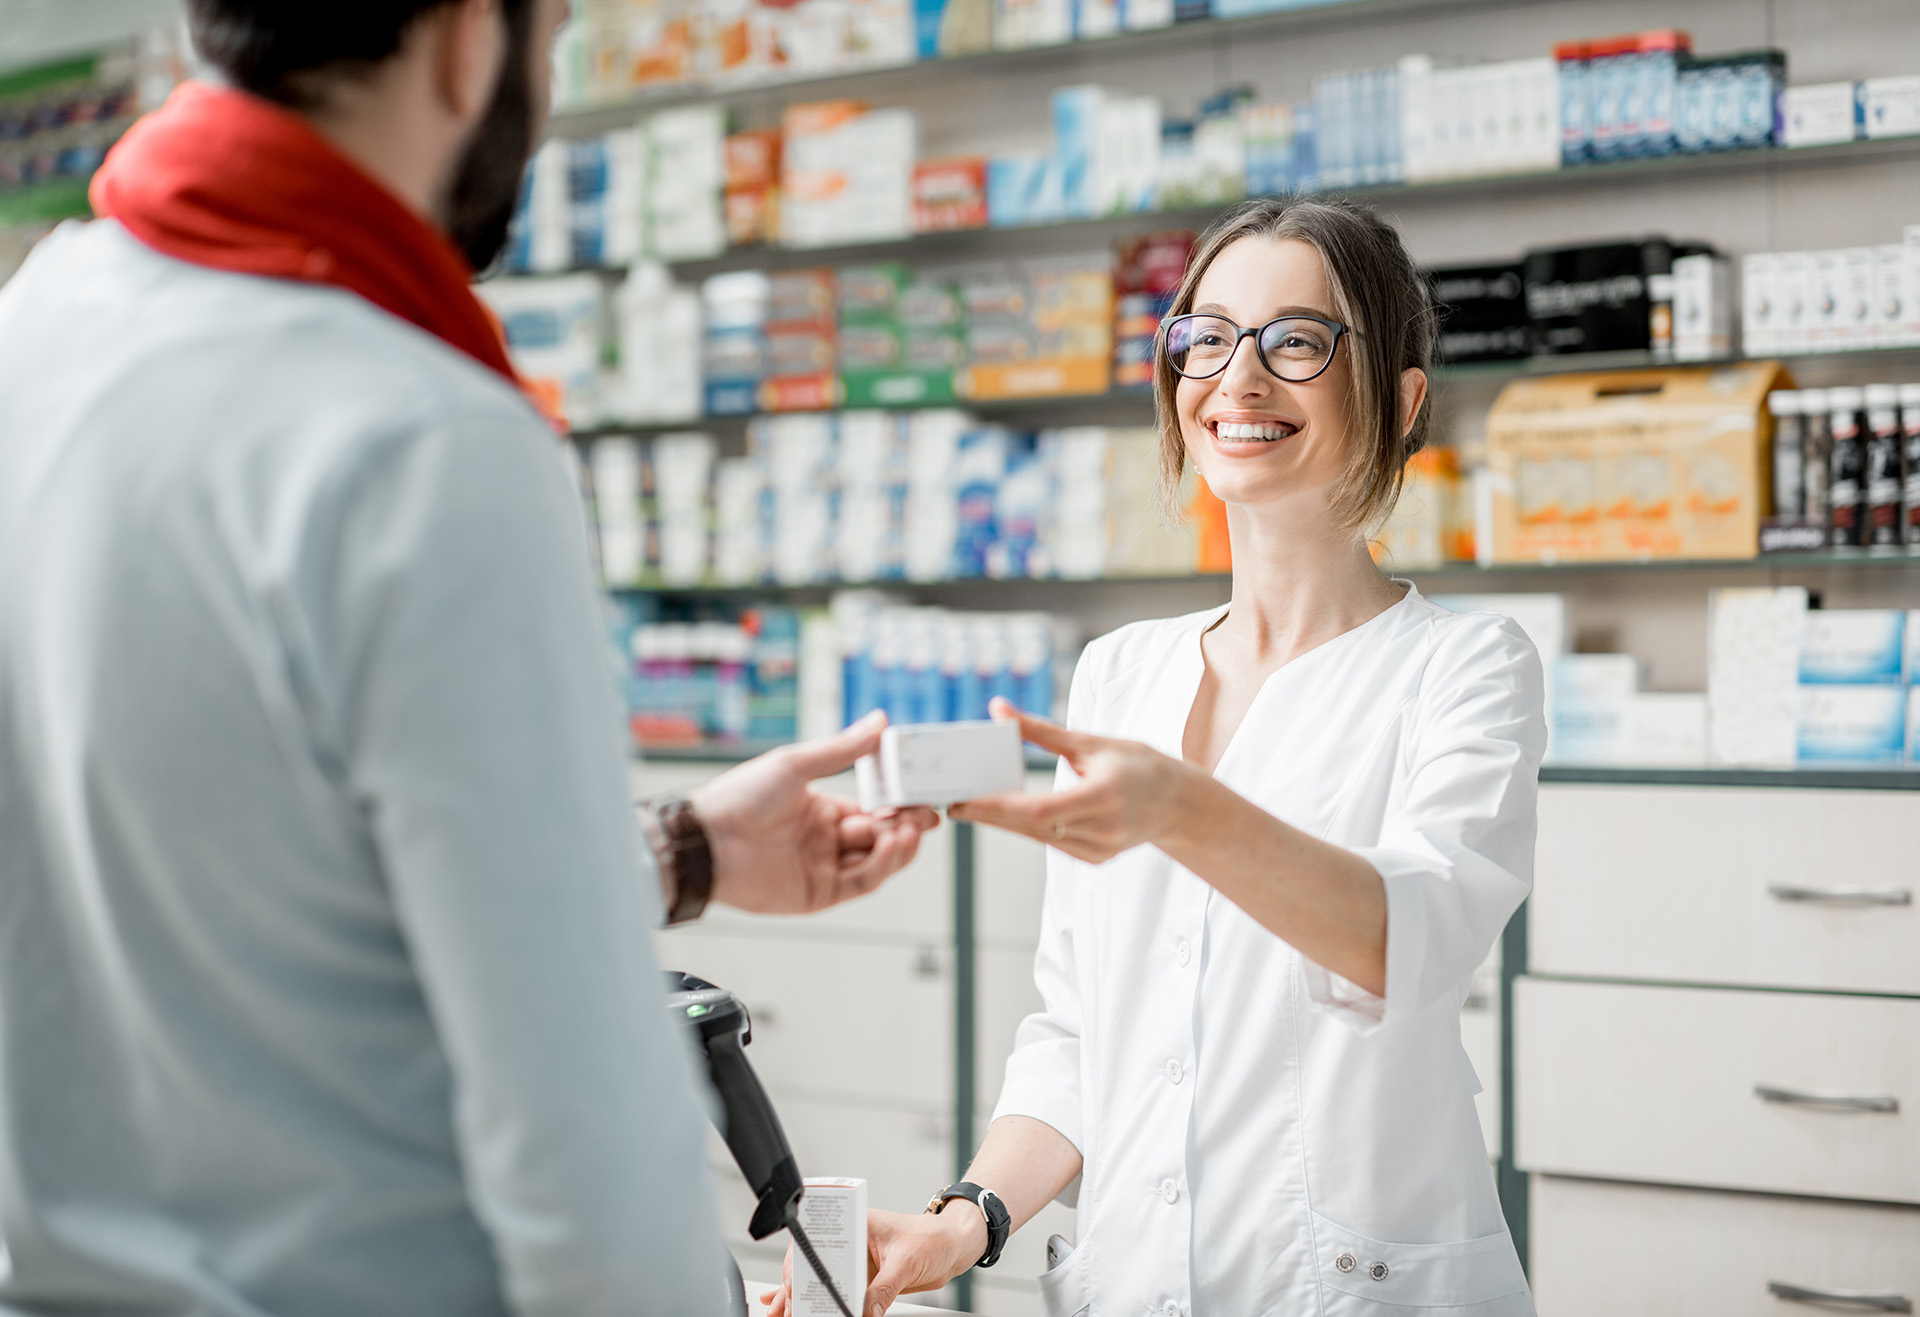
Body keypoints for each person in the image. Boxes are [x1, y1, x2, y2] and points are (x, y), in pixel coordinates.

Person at [0, 2, 938, 1314]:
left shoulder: (39, 324)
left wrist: (688, 851)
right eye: (549, 34)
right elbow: (586, 1159)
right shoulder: (425, 435)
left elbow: (223, 874)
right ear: (464, 41)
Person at [770, 196, 1545, 1317]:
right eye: (1207, 336)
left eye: (1295, 339)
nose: (1238, 377)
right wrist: (961, 1221)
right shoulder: (1121, 673)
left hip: (1348, 1290)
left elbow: (1405, 944)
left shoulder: (1466, 666)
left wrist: (1182, 812)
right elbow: (1081, 1031)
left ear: (1403, 398)